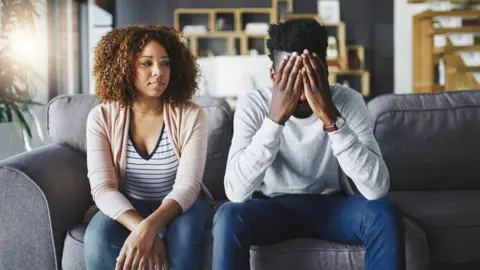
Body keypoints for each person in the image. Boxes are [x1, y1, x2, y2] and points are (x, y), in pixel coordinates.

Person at [212, 19, 405, 270]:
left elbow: (377, 189)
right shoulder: (254, 103)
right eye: (290, 76)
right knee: (227, 216)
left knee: (385, 214)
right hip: (271, 206)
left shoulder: (347, 100)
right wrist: (274, 120)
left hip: (332, 207)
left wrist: (331, 119)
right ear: (273, 75)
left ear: (325, 72)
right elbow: (236, 192)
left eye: (311, 74)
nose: (302, 90)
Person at [84, 25, 213, 270]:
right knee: (97, 237)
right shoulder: (101, 118)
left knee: (185, 236)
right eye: (147, 63)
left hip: (180, 205)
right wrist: (142, 230)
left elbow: (188, 186)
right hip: (130, 202)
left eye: (165, 63)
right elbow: (103, 188)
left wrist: (151, 227)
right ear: (123, 67)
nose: (159, 72)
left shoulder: (191, 115)